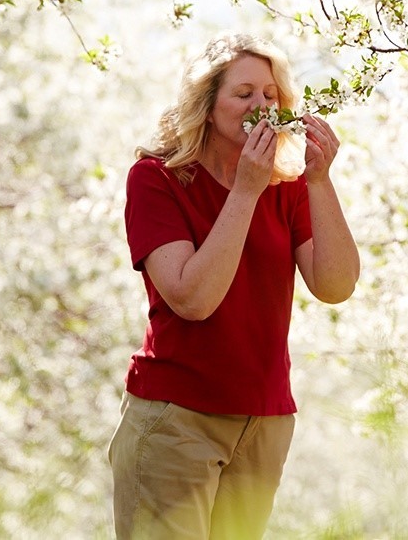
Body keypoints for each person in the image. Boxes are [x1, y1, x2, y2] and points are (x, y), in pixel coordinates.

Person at [108, 34, 360, 540]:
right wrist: (245, 190)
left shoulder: (286, 188)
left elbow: (335, 286)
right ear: (206, 106)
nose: (261, 107)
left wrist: (318, 181)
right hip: (177, 418)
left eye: (270, 95)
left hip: (264, 422)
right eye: (243, 94)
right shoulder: (155, 178)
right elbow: (192, 299)